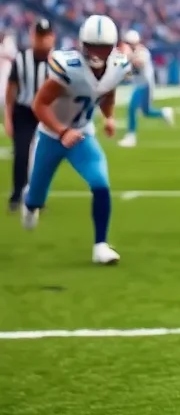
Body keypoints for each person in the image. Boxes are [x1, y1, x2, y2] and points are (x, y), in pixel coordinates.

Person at [23, 15, 129, 264]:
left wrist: (109, 117)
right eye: (92, 45)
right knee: (36, 197)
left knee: (100, 183)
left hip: (82, 134)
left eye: (103, 47)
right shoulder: (68, 67)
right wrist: (61, 131)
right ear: (82, 43)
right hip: (51, 136)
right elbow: (39, 104)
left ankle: (100, 245)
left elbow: (108, 91)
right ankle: (30, 203)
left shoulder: (117, 67)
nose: (97, 52)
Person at [5, 19, 54, 211]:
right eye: (39, 36)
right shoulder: (21, 59)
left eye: (46, 37)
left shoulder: (55, 61)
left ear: (52, 37)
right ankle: (17, 195)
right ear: (33, 37)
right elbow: (11, 90)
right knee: (21, 153)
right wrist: (8, 118)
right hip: (24, 111)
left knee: (43, 157)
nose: (42, 41)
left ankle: (37, 198)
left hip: (45, 112)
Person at [118, 29, 175, 148]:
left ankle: (131, 136)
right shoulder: (128, 53)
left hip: (146, 84)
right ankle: (164, 112)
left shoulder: (142, 52)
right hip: (139, 83)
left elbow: (138, 63)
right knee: (146, 112)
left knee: (132, 108)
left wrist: (127, 57)